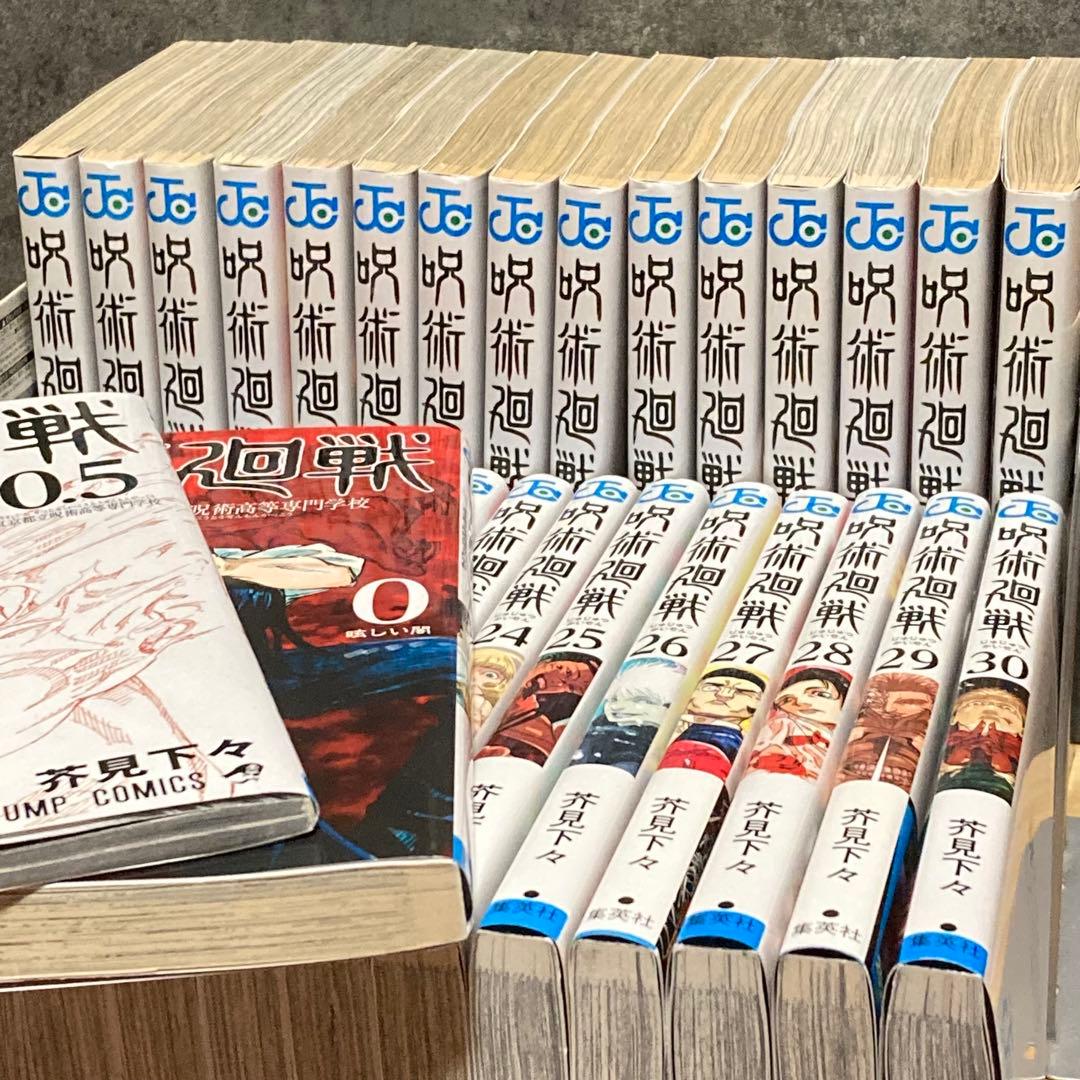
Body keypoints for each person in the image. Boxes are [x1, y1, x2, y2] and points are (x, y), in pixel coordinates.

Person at [749, 666, 850, 779]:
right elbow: (764, 747)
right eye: (787, 700)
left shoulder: (848, 735)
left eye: (819, 694)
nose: (801, 702)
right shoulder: (784, 724)